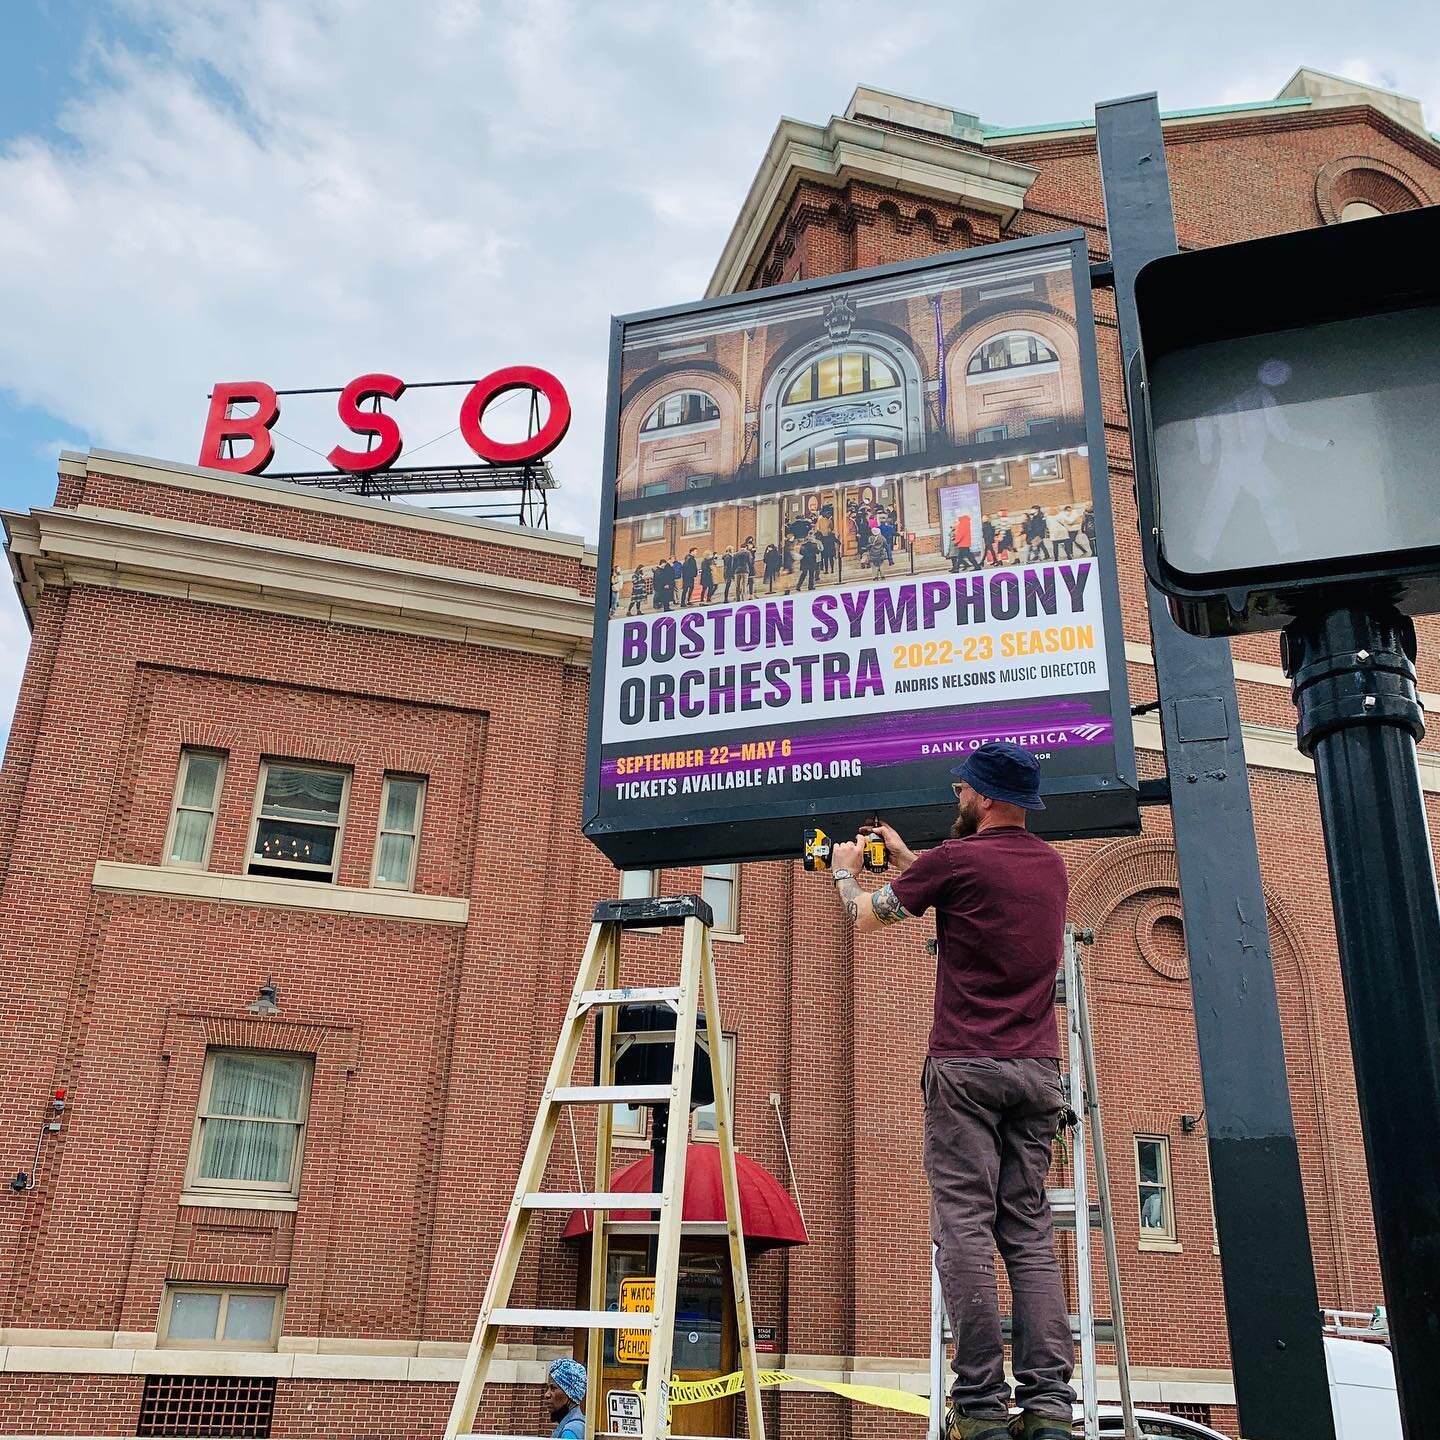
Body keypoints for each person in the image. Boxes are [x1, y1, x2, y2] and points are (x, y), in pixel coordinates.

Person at [821, 742, 1075, 1440]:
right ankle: (1050, 1405)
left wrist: (847, 875)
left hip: (965, 1069)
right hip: (1037, 1071)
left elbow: (866, 918)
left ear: (987, 797)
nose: (957, 800)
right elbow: (968, 887)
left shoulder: (958, 863)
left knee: (963, 1226)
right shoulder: (1049, 866)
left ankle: (983, 1406)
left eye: (964, 792)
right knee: (1026, 1232)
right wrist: (911, 860)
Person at [544, 1357, 586, 1439]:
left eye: (553, 1388)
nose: (547, 1394)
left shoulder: (571, 1431)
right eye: (547, 1388)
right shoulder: (575, 1424)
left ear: (570, 1393)